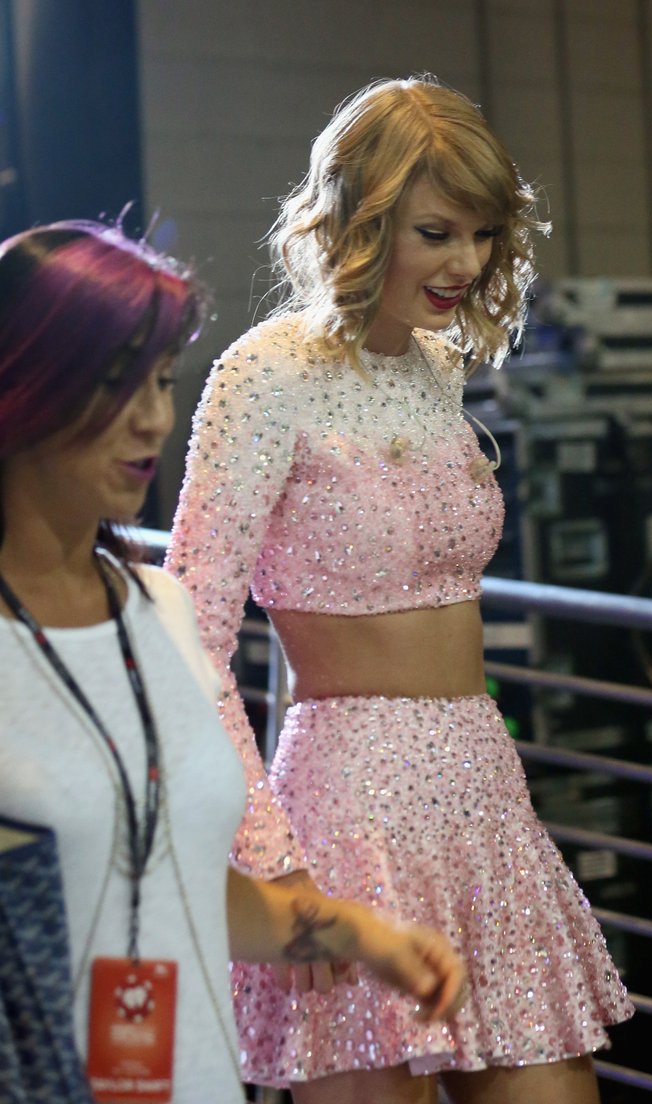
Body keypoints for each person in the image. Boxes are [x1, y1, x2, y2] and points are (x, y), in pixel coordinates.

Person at [167, 75, 634, 1104]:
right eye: (435, 232)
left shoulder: (435, 367)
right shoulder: (262, 376)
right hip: (343, 819)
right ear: (358, 222)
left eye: (480, 234)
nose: (464, 264)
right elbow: (186, 635)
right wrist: (270, 860)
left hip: (484, 796)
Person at [0, 220, 465, 1104]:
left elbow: (176, 884)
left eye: (161, 380)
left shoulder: (161, 614)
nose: (152, 418)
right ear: (21, 386)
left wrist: (366, 938)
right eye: (112, 382)